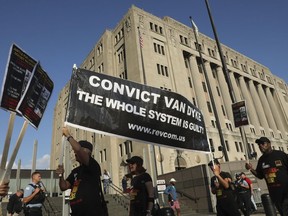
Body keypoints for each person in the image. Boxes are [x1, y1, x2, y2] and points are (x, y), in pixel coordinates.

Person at [56, 127, 107, 216]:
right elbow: (64, 187)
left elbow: (79, 150)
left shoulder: (92, 165)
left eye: (77, 150)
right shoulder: (75, 171)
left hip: (92, 212)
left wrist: (68, 135)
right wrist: (61, 176)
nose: (75, 152)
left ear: (87, 152)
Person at [245, 137, 288, 216]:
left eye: (263, 143)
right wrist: (251, 169)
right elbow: (260, 175)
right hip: (275, 194)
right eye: (259, 144)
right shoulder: (261, 160)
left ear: (269, 144)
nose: (261, 146)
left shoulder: (280, 155)